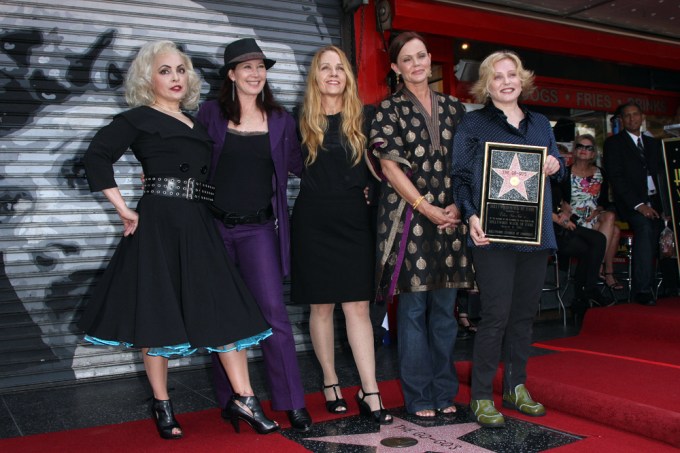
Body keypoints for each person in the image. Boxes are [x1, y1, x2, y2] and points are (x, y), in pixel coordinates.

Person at [78, 40, 278, 439]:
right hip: (160, 225)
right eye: (165, 70)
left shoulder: (196, 121)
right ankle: (162, 402)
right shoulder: (137, 118)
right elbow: (96, 156)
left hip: (199, 223)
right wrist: (123, 208)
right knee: (157, 312)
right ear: (147, 78)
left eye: (181, 70)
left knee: (225, 306)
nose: (175, 77)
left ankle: (245, 398)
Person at [195, 38, 311, 432]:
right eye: (246, 67)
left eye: (260, 66)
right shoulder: (210, 114)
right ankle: (233, 400)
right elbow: (188, 157)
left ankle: (293, 403)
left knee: (273, 317)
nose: (255, 73)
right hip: (212, 228)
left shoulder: (280, 119)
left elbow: (301, 165)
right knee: (221, 316)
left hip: (258, 229)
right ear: (231, 74)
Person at [451, 50, 564, 428]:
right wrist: (470, 216)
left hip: (535, 235)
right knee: (495, 316)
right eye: (497, 76)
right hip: (493, 236)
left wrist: (554, 164)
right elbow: (461, 177)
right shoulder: (474, 124)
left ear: (522, 79)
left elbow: (557, 170)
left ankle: (516, 386)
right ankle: (482, 396)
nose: (505, 81)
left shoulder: (541, 124)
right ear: (487, 84)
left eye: (511, 74)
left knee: (523, 316)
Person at [369, 31, 474, 419]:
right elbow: (389, 167)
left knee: (445, 310)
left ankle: (445, 391)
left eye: (421, 57)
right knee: (413, 311)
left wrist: (460, 208)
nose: (416, 65)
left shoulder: (456, 109)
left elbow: (469, 165)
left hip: (451, 220)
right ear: (396, 67)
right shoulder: (388, 110)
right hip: (409, 220)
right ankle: (418, 396)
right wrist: (425, 207)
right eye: (407, 60)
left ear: (430, 59)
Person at [291, 46, 392, 425]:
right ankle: (331, 382)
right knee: (321, 307)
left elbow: (383, 167)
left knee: (358, 307)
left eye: (340, 68)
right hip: (313, 220)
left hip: (354, 220)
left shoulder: (366, 119)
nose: (333, 74)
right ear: (315, 76)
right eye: (325, 68)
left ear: (348, 76)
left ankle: (370, 390)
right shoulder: (297, 121)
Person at [603, 102, 664, 306]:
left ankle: (671, 285)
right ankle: (642, 290)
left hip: (657, 202)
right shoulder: (613, 144)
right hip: (631, 205)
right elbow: (617, 179)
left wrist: (667, 208)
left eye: (635, 114)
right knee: (645, 228)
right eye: (627, 116)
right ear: (621, 120)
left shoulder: (654, 144)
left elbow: (662, 177)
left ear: (642, 116)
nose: (632, 119)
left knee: (668, 226)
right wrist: (639, 205)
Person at [558, 134, 621, 292]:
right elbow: (555, 198)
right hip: (573, 220)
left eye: (588, 148)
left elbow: (605, 202)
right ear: (574, 150)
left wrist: (598, 210)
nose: (584, 150)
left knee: (610, 216)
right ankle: (607, 272)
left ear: (593, 153)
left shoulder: (601, 173)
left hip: (594, 217)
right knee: (615, 231)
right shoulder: (564, 173)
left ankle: (597, 266)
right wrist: (561, 206)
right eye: (580, 146)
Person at [551, 169, 607, 321]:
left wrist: (563, 208)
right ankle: (586, 291)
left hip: (562, 223)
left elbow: (558, 203)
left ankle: (583, 296)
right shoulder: (540, 178)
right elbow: (540, 208)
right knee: (595, 242)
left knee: (595, 243)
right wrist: (561, 219)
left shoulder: (554, 178)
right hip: (550, 229)